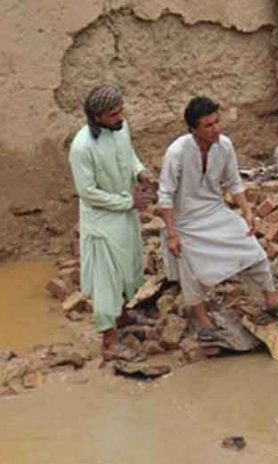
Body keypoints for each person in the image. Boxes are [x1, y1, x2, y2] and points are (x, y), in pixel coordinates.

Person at [158, 96, 278, 341]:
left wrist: (248, 212)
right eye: (209, 125)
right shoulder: (176, 152)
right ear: (193, 129)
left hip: (215, 212)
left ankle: (272, 300)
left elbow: (234, 182)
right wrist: (172, 233)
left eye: (217, 122)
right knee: (189, 265)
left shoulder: (224, 146)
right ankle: (201, 319)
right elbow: (165, 194)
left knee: (253, 249)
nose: (216, 129)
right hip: (185, 222)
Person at [68, 84, 155, 361]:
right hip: (102, 221)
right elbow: (88, 193)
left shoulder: (121, 128)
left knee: (129, 266)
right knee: (107, 280)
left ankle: (124, 316)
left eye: (121, 111)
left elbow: (128, 155)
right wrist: (128, 202)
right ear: (97, 117)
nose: (120, 117)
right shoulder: (82, 147)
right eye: (113, 114)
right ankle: (109, 343)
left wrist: (140, 172)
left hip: (124, 214)